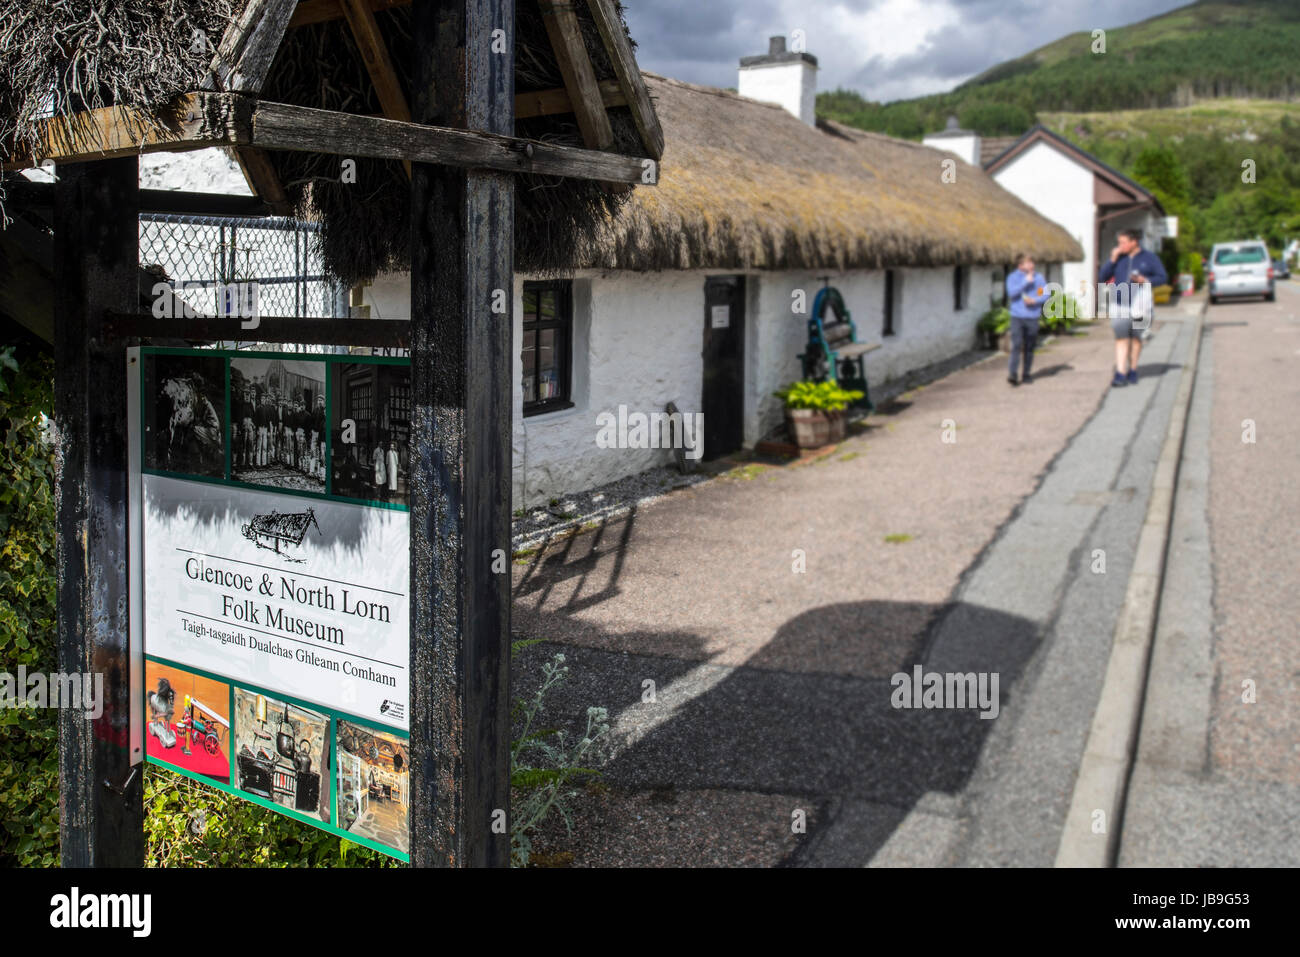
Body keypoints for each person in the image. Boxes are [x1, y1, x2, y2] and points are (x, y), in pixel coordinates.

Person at [1100, 228, 1167, 386]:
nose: (1120, 245)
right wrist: (1112, 259)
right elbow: (1102, 277)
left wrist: (1145, 280)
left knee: (1137, 339)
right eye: (1119, 242)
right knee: (1121, 338)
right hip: (1119, 304)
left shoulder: (1150, 258)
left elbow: (1163, 277)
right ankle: (1120, 373)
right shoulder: (1119, 258)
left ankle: (1133, 369)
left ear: (1134, 242)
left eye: (1123, 242)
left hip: (1142, 305)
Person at [1005, 253, 1047, 386]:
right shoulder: (1013, 277)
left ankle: (1026, 373)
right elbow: (1011, 293)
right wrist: (1025, 282)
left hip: (1032, 317)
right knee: (1016, 345)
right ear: (1020, 265)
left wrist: (1035, 300)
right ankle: (1013, 374)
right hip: (1017, 316)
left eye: (1032, 262)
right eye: (1029, 263)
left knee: (1030, 346)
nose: (1032, 265)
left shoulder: (1039, 278)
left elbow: (1045, 294)